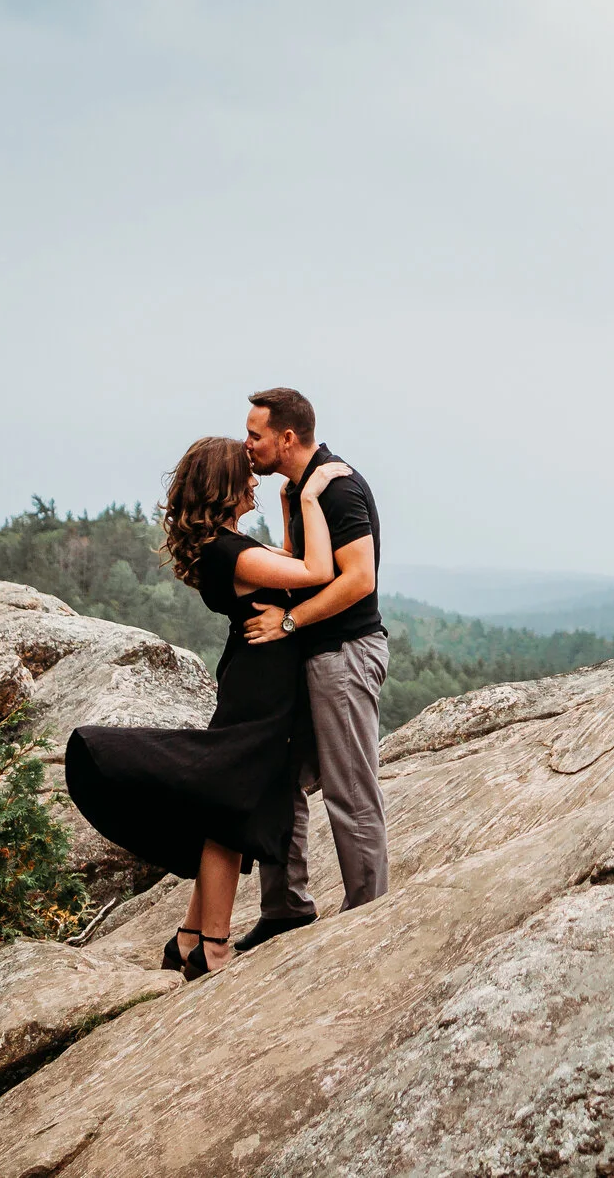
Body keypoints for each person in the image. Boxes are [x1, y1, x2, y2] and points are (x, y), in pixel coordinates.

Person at [63, 435, 351, 979]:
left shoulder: (230, 546)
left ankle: (190, 936)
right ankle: (211, 948)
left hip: (255, 680)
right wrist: (311, 497)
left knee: (231, 802)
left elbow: (288, 561)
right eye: (245, 473)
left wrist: (291, 506)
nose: (254, 481)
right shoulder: (230, 551)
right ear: (224, 485)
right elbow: (316, 571)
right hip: (259, 690)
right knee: (229, 808)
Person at [234, 386, 387, 951]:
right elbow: (306, 565)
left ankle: (369, 918)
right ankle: (286, 908)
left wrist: (290, 623)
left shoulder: (338, 487)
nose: (247, 445)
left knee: (349, 791)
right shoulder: (302, 487)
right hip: (315, 660)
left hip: (344, 655)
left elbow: (358, 579)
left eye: (255, 435)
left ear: (287, 437)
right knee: (279, 778)